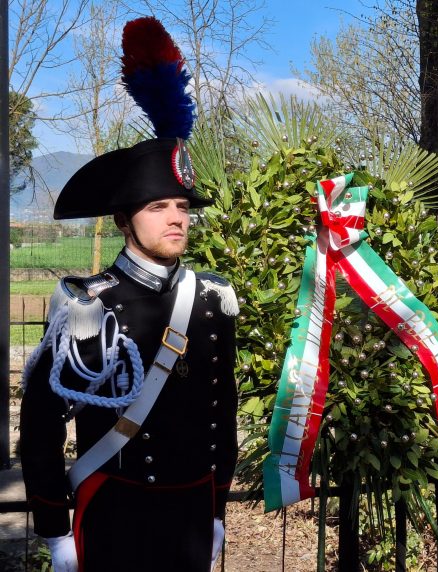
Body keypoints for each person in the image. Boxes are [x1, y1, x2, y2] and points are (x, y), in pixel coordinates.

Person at [19, 17, 238, 572]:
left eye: (182, 208)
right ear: (122, 219)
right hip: (115, 509)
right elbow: (41, 427)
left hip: (190, 513)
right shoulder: (84, 303)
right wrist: (54, 527)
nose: (176, 220)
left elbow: (222, 416)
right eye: (157, 207)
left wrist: (216, 512)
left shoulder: (212, 298)